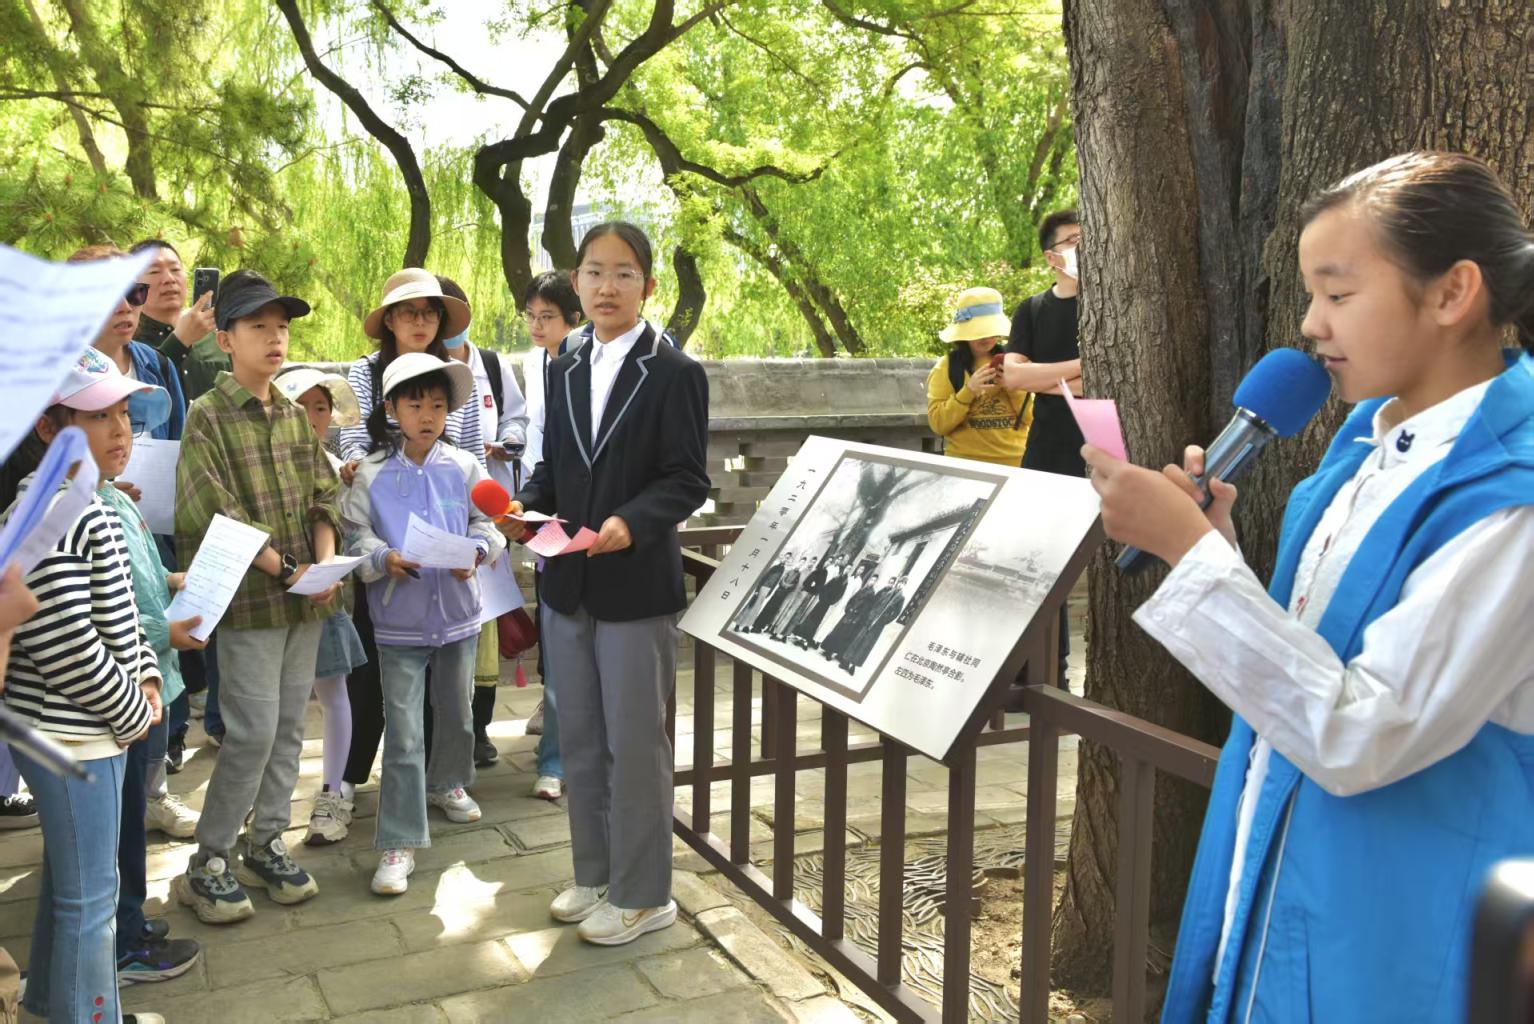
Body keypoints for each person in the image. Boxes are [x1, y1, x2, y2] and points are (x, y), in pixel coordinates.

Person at [1083, 151, 1534, 1022]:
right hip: (1287, 872)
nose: (1310, 324)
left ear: (1452, 292)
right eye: (1310, 294)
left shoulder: (1511, 498)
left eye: (1338, 293)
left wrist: (1194, 559)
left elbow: (1362, 730)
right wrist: (1214, 549)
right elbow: (1315, 654)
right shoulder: (1365, 444)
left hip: (1403, 927)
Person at [504, 220, 710, 946]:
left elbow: (686, 478)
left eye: (624, 273)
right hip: (566, 580)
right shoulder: (563, 364)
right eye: (594, 271)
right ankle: (594, 874)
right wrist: (526, 507)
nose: (607, 286)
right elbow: (552, 466)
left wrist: (631, 521)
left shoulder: (675, 371)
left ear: (647, 286)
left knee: (635, 744)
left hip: (633, 586)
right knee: (583, 741)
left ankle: (646, 893)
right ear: (577, 281)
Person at [172, 270, 344, 924]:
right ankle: (209, 858)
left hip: (305, 597)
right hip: (250, 602)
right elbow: (213, 510)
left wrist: (323, 563)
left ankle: (266, 841)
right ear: (225, 339)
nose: (275, 339)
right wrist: (287, 568)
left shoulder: (295, 415)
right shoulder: (208, 415)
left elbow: (323, 496)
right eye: (258, 327)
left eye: (282, 328)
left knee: (290, 727)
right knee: (250, 733)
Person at [7, 348, 167, 1023]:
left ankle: (51, 1001)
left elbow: (118, 613)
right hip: (75, 734)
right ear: (49, 428)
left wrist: (147, 671)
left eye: (124, 413)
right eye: (98, 417)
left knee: (71, 889)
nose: (120, 429)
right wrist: (132, 711)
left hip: (86, 727)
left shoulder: (85, 501)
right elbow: (67, 643)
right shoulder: (58, 510)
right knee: (91, 901)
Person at [343, 353, 504, 895]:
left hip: (458, 614)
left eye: (438, 405)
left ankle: (448, 782)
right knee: (405, 731)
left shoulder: (464, 466)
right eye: (415, 405)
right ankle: (399, 840)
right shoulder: (371, 472)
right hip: (399, 619)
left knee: (457, 712)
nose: (428, 415)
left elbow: (489, 523)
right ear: (391, 409)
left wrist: (477, 550)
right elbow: (354, 534)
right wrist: (382, 558)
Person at [338, 268, 478, 800]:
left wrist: (476, 540)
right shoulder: (365, 372)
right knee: (376, 673)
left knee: (451, 690)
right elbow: (352, 440)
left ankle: (443, 781)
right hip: (385, 525)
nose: (420, 322)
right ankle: (349, 779)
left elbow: (469, 454)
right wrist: (372, 473)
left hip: (445, 549)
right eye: (409, 312)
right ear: (389, 320)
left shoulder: (454, 371)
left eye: (430, 313)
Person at [127, 238, 224, 768]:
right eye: (153, 271)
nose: (168, 279)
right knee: (154, 611)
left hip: (198, 497)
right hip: (142, 506)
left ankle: (200, 720)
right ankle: (164, 741)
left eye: (176, 268)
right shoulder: (132, 344)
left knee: (202, 606)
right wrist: (178, 342)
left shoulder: (217, 342)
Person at [273, 367, 368, 847]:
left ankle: (332, 793)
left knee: (333, 693)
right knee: (276, 707)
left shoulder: (336, 466)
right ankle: (267, 804)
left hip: (325, 596)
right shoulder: (269, 459)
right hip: (272, 595)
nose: (312, 416)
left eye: (321, 407)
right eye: (301, 406)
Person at [439, 276, 528, 770]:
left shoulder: (490, 364)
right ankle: (446, 731)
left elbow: (517, 416)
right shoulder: (422, 368)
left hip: (490, 513)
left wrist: (509, 442)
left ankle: (480, 729)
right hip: (439, 514)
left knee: (488, 622)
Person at [1000, 210, 1084, 688]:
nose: (1084, 248)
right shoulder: (1032, 310)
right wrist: (1078, 369)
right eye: (1074, 241)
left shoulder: (1107, 306)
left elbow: (1105, 378)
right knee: (1041, 561)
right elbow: (1013, 376)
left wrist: (1044, 377)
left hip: (1100, 442)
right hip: (1046, 447)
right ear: (1052, 256)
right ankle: (1048, 674)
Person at [520, 270, 583, 800]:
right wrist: (527, 502)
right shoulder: (546, 366)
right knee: (558, 644)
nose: (538, 326)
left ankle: (582, 758)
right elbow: (550, 455)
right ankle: (555, 761)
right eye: (532, 317)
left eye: (548, 317)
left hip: (607, 532)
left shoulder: (657, 365)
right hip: (552, 522)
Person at [927, 287, 1032, 467]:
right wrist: (968, 391)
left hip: (1016, 464)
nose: (987, 339)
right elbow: (938, 425)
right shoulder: (947, 367)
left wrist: (1013, 388)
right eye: (979, 333)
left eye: (991, 332)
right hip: (964, 466)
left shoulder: (1016, 361)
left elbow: (1033, 418)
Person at [791, 555, 849, 648]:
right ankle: (799, 634)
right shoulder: (830, 569)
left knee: (816, 619)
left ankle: (807, 638)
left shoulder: (841, 576)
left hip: (826, 601)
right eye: (838, 559)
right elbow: (824, 583)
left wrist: (829, 600)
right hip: (819, 595)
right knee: (809, 614)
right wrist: (821, 594)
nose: (839, 561)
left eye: (841, 560)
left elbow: (836, 591)